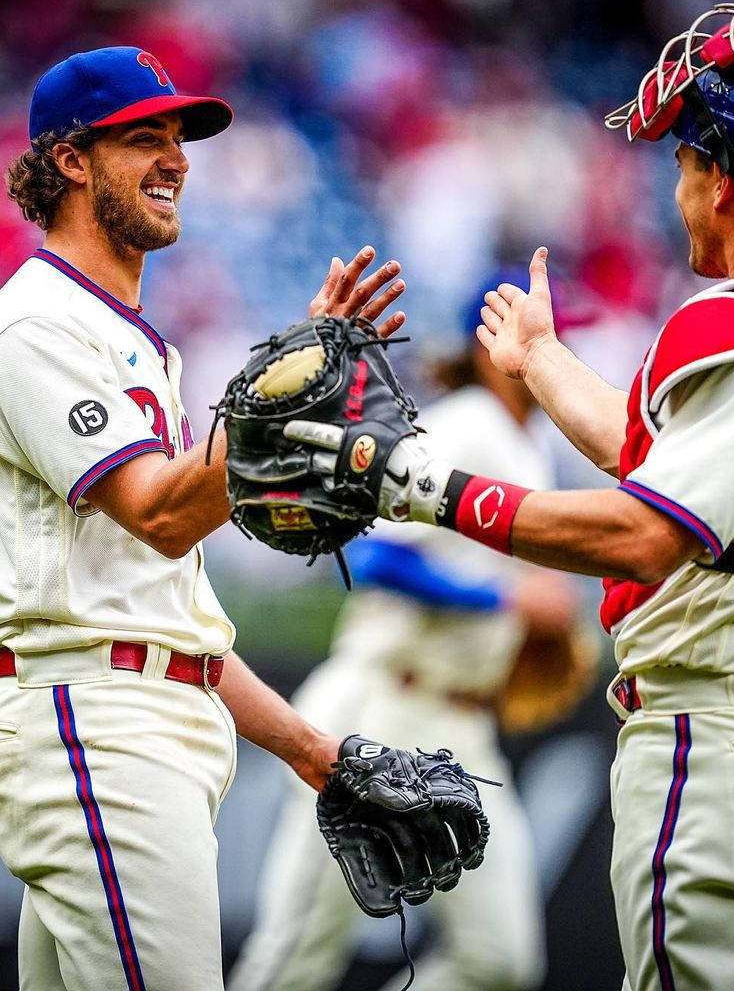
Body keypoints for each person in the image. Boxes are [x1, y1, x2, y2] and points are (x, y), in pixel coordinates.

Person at [284, 2, 734, 989]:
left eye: (684, 164)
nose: (678, 188)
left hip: (728, 741)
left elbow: (640, 535)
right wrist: (541, 360)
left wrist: (408, 482)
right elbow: (662, 457)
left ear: (726, 178)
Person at [0, 46, 408, 991]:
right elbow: (159, 516)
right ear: (71, 160)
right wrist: (284, 388)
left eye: (180, 138)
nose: (177, 159)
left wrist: (311, 751)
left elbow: (172, 620)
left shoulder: (129, 337)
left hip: (132, 719)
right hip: (95, 726)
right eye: (144, 137)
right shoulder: (38, 325)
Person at [227, 275, 597, 991]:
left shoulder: (520, 440)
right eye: (541, 330)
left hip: (457, 724)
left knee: (501, 961)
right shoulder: (467, 421)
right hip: (382, 709)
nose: (563, 345)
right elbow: (372, 554)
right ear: (490, 346)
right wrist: (503, 600)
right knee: (296, 953)